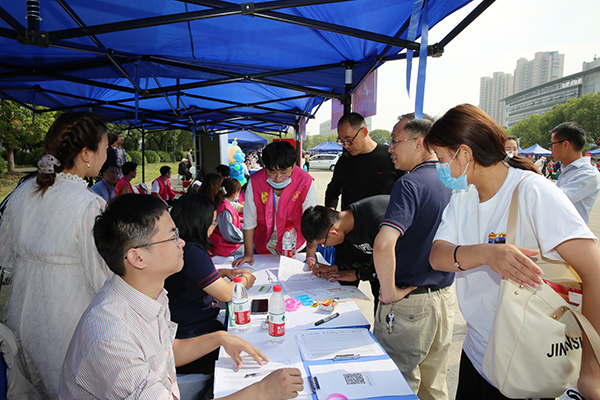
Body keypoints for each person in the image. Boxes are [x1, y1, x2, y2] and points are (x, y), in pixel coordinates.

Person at [424, 104, 600, 400]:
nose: (440, 168)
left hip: (525, 358)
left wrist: (591, 371)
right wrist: (488, 254)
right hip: (477, 353)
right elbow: (438, 255)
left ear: (464, 154)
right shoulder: (463, 195)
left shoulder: (533, 192)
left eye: (441, 159)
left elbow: (594, 272)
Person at [59, 194, 303, 399]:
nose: (182, 243)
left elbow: (167, 352)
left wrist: (219, 338)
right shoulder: (112, 339)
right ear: (137, 257)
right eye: (172, 236)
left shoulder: (148, 293)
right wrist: (262, 391)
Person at [0, 112, 112, 398]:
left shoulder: (23, 193)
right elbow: (102, 280)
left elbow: (5, 259)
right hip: (66, 323)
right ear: (86, 154)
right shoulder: (88, 205)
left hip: (22, 316)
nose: (107, 155)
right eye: (105, 148)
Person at [372, 118, 455, 400]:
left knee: (397, 385)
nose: (390, 149)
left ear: (419, 143)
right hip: (443, 299)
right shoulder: (452, 180)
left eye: (395, 141)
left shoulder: (409, 184)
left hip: (410, 303)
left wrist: (389, 292)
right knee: (434, 384)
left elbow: (383, 244)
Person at [166, 192, 255, 374]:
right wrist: (245, 279)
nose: (214, 227)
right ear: (201, 222)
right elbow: (226, 294)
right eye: (213, 222)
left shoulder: (179, 246)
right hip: (193, 341)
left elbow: (188, 279)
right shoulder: (192, 251)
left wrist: (221, 273)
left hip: (184, 331)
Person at [232, 141, 317, 268]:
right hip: (264, 245)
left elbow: (311, 222)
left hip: (295, 246)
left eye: (284, 173)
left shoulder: (305, 182)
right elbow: (249, 221)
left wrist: (310, 257)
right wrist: (248, 254)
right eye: (271, 172)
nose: (277, 178)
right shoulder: (255, 182)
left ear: (293, 165)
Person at [300, 196, 390, 313]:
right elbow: (364, 257)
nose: (328, 246)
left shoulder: (377, 222)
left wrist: (358, 274)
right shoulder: (348, 223)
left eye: (324, 244)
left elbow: (392, 263)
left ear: (333, 233)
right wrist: (336, 268)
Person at [550, 122, 600, 224]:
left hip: (569, 232)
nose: (550, 149)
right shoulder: (568, 169)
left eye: (552, 144)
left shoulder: (588, 174)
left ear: (565, 144)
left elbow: (556, 200)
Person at [211, 178, 245, 257]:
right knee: (254, 249)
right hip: (224, 246)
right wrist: (247, 236)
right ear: (235, 193)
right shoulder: (225, 209)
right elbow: (229, 233)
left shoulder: (224, 204)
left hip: (225, 243)